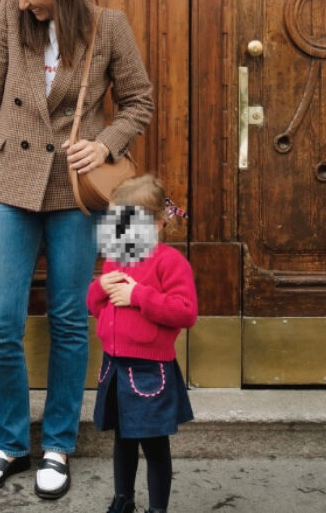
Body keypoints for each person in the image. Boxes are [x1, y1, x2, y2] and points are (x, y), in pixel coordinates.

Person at [0, 0, 154, 499]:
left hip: (72, 193)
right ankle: (8, 443)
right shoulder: (9, 20)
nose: (24, 1)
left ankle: (57, 444)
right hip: (7, 183)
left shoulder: (110, 26)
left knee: (69, 321)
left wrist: (105, 144)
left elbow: (139, 103)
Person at [87, 174, 198, 513]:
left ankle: (157, 508)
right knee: (122, 440)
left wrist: (138, 295)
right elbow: (93, 306)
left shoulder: (170, 262)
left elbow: (185, 311)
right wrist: (100, 286)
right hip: (115, 367)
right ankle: (123, 500)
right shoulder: (116, 258)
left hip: (150, 370)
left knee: (153, 445)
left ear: (160, 224)